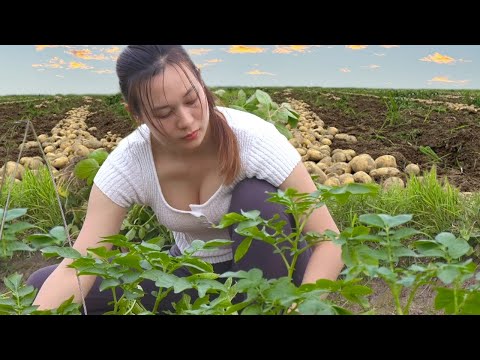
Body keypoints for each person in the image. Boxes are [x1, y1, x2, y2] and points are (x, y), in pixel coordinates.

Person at [28, 45, 344, 314]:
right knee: (40, 287)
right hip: (195, 274)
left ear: (201, 82)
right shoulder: (130, 163)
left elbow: (330, 243)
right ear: (136, 114)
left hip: (275, 269)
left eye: (192, 99)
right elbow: (79, 266)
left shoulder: (254, 140)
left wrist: (301, 306)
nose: (187, 120)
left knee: (256, 199)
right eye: (164, 113)